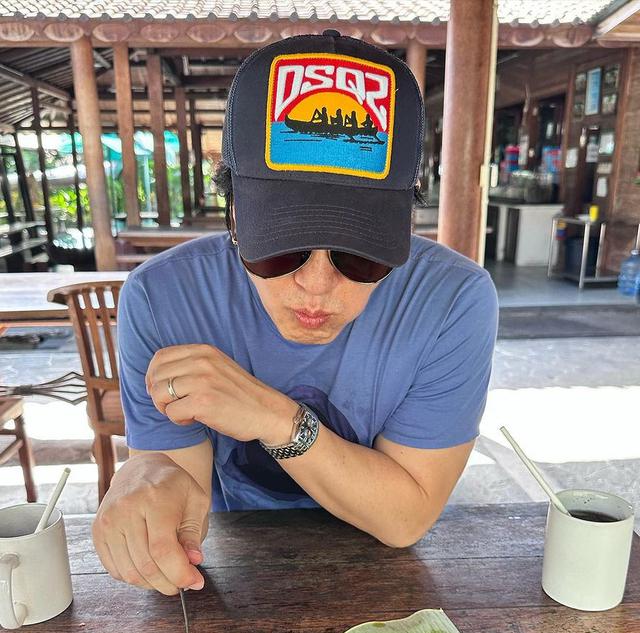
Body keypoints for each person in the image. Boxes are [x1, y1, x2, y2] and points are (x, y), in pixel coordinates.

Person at [93, 30, 498, 596]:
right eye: (280, 248)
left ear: (406, 225)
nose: (315, 287)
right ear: (233, 218)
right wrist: (148, 478)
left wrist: (275, 419)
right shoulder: (164, 298)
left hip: (389, 580)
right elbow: (183, 501)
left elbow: (406, 518)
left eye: (360, 256)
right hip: (236, 564)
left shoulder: (452, 300)